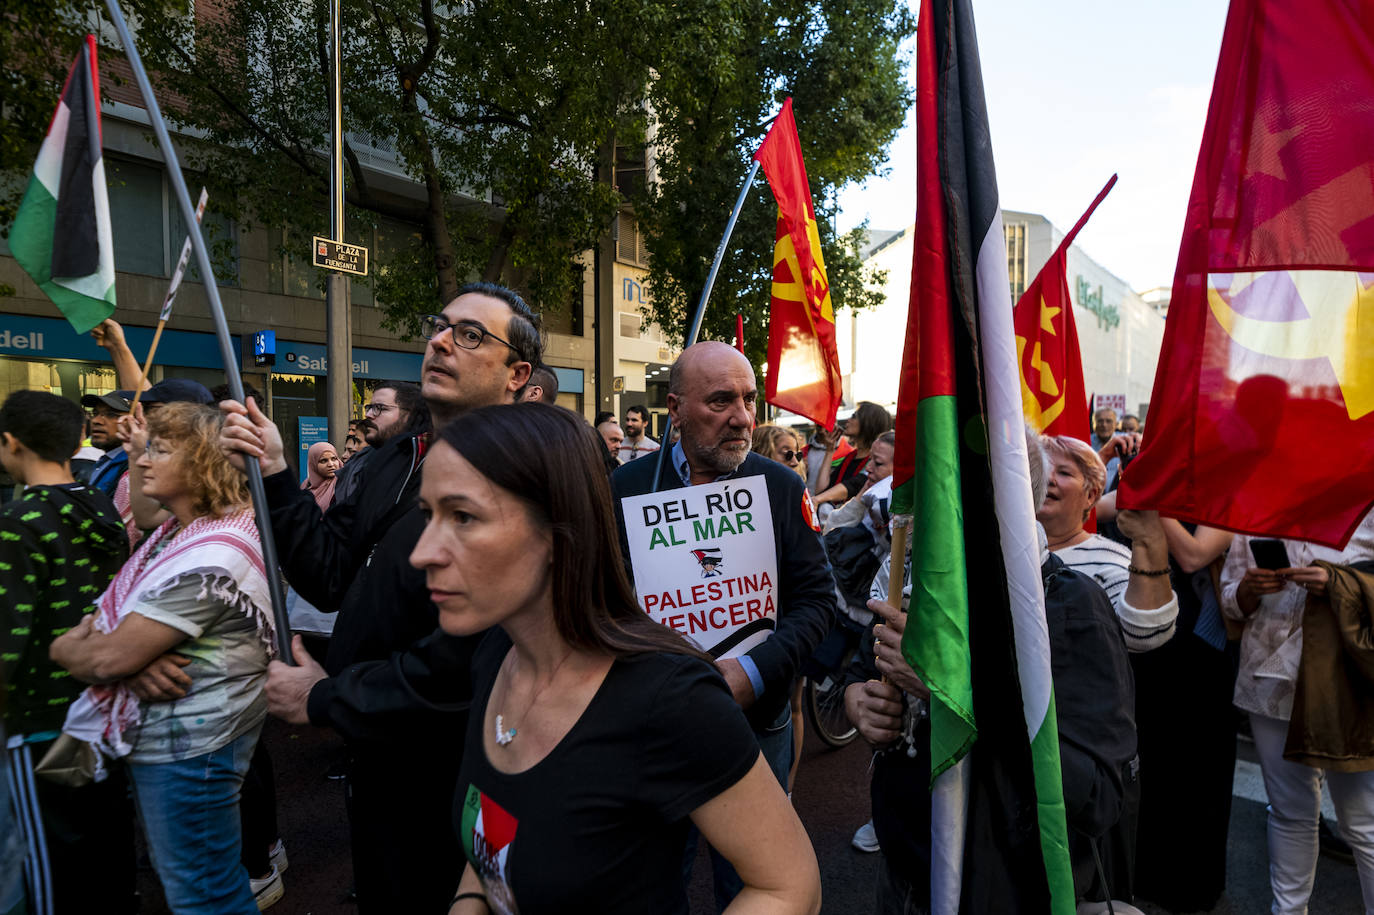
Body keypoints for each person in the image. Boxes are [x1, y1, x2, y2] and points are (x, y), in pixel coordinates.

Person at [413, 403, 821, 915]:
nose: (423, 552)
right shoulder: (495, 656)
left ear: (558, 529)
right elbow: (490, 851)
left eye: (464, 516)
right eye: (428, 516)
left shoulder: (668, 697)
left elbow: (788, 885)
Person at [219, 281, 541, 914]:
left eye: (471, 335)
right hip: (374, 758)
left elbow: (461, 664)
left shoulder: (526, 473)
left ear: (517, 373)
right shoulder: (394, 459)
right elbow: (331, 572)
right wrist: (281, 475)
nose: (441, 342)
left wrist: (324, 696)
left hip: (461, 769)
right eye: (440, 326)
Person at [844, 427, 1138, 911]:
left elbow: (1096, 794)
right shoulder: (917, 577)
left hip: (1006, 888)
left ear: (1013, 497)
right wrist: (862, 701)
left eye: (948, 486)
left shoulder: (1067, 607)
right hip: (904, 870)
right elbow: (865, 666)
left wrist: (953, 693)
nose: (925, 505)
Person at [610, 341, 835, 911]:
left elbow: (816, 602)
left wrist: (752, 673)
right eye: (720, 400)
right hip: (655, 725)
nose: (741, 417)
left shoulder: (781, 488)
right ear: (676, 408)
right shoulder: (627, 489)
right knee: (656, 879)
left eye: (748, 399)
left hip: (757, 723)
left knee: (758, 881)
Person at [50, 402, 274, 915]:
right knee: (205, 883)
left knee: (203, 895)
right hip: (187, 742)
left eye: (160, 450)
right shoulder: (189, 527)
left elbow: (106, 660)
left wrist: (66, 647)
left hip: (190, 752)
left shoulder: (209, 556)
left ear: (203, 462)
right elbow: (115, 654)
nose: (145, 461)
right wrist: (120, 653)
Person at [0, 391, 135, 915]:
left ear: (12, 444)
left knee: (48, 871)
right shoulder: (99, 505)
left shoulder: (18, 522)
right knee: (102, 856)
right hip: (98, 712)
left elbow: (7, 644)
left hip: (39, 724)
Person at [1220, 513, 1374, 915]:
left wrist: (1337, 583)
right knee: (1290, 811)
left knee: (1362, 821)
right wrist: (1249, 590)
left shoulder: (1366, 502)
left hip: (1343, 682)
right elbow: (1230, 600)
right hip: (1268, 676)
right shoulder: (1259, 505)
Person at [1038, 435, 1178, 652]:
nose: (1049, 479)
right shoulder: (1004, 550)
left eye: (1064, 473)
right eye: (1040, 470)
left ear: (1091, 496)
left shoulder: (1109, 559)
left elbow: (1143, 633)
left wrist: (1149, 540)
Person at [816, 401, 891, 494]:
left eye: (854, 416)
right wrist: (829, 450)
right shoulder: (850, 457)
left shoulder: (874, 463)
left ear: (868, 423)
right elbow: (820, 490)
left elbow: (851, 487)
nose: (848, 419)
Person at [301, 441, 342, 513]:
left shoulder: (343, 483)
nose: (331, 464)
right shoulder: (306, 485)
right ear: (313, 464)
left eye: (334, 459)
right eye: (324, 461)